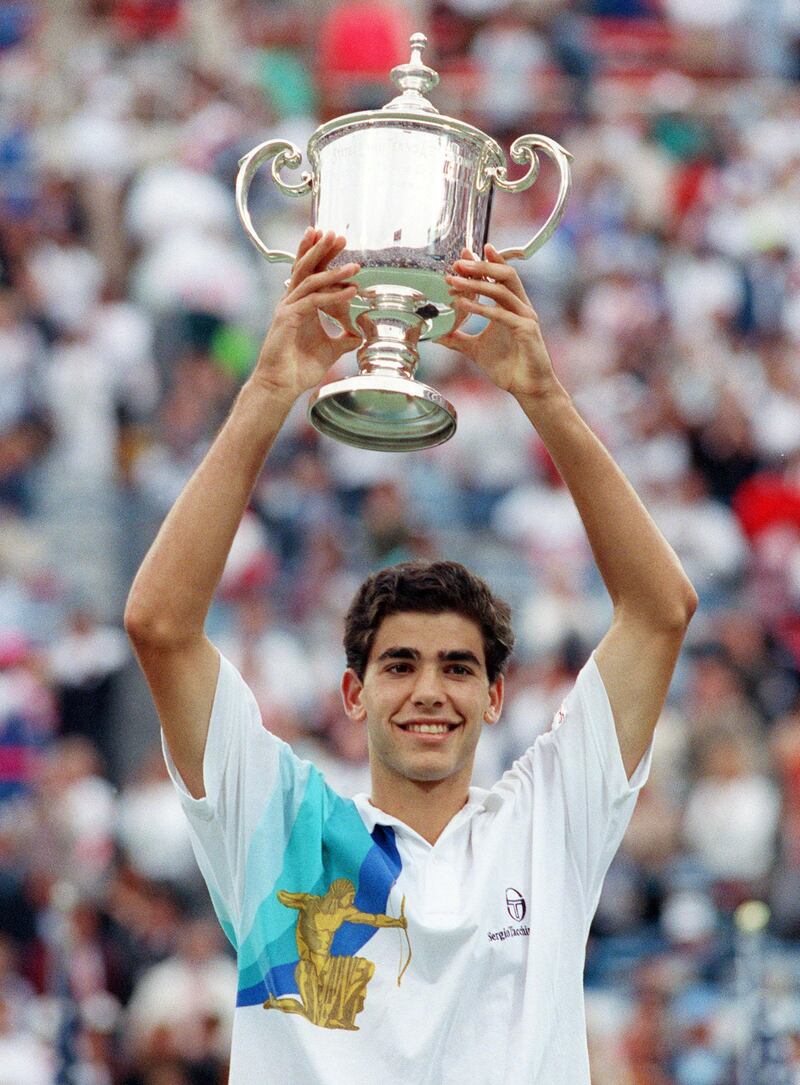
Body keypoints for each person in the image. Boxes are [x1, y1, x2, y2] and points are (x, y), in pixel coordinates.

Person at [124, 229, 698, 1084]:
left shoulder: (547, 820)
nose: (430, 689)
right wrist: (273, 385)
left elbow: (661, 610)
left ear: (496, 696)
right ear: (353, 692)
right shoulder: (282, 826)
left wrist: (540, 391)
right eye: (400, 665)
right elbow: (160, 624)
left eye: (458, 667)